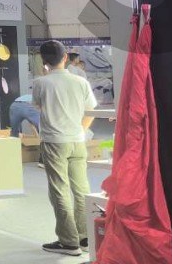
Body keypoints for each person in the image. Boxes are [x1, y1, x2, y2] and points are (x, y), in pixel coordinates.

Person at [32, 40, 98, 257]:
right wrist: (80, 131)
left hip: (53, 142)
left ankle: (69, 242)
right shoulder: (81, 82)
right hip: (77, 141)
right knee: (81, 189)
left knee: (59, 190)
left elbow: (39, 107)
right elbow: (91, 110)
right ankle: (85, 237)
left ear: (44, 61)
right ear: (65, 58)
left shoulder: (41, 83)